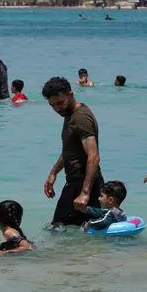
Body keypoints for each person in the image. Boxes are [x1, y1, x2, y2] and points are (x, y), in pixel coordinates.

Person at [42, 77, 104, 227]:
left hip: (83, 183)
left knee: (58, 228)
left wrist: (85, 193)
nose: (57, 108)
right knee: (78, 230)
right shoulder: (69, 115)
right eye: (52, 105)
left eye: (60, 103)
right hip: (77, 181)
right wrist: (53, 172)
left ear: (70, 94)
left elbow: (93, 156)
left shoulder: (81, 118)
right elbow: (70, 150)